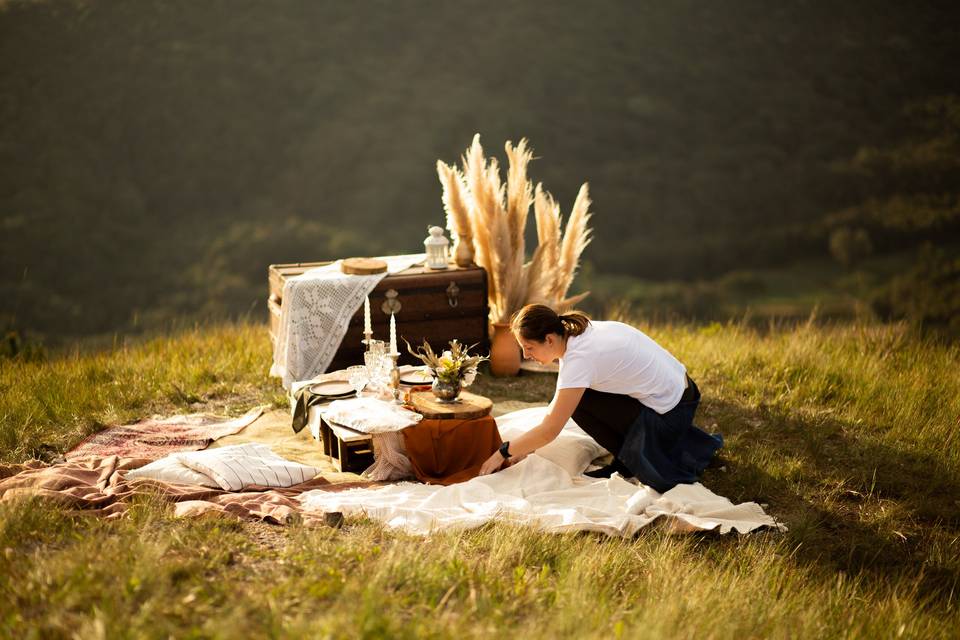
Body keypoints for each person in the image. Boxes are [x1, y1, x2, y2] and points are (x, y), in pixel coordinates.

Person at [478, 304, 723, 492]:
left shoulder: (580, 358)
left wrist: (504, 452)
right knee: (577, 399)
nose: (525, 355)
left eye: (529, 347)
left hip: (672, 414)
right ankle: (626, 457)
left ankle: (635, 459)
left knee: (581, 403)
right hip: (683, 394)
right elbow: (556, 406)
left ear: (549, 339)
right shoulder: (579, 334)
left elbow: (551, 428)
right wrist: (525, 449)